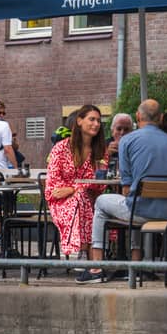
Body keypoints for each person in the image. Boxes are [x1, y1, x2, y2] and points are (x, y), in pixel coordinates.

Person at [83, 99, 167, 283]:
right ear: (161, 118)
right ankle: (136, 263)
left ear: (137, 117)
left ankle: (96, 268)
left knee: (102, 203)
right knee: (135, 202)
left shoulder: (128, 141)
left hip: (141, 212)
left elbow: (126, 186)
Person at [45, 105, 107, 262]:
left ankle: (84, 253)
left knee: (86, 198)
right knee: (81, 198)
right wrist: (75, 190)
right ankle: (88, 253)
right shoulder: (61, 147)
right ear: (79, 121)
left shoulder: (100, 150)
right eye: (92, 119)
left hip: (91, 198)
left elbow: (100, 183)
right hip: (61, 201)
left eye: (99, 121)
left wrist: (73, 188)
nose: (96, 124)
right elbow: (53, 182)